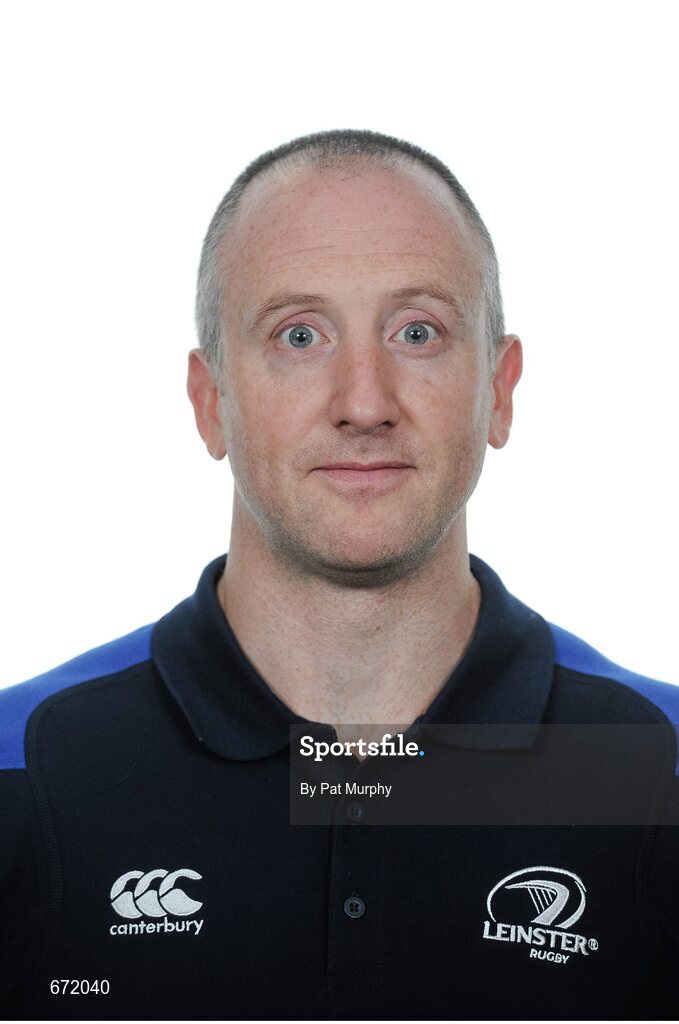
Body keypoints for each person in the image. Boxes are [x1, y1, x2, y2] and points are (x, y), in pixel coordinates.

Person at [1, 128, 678, 1022]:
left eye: (418, 331)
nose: (364, 403)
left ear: (499, 391)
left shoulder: (655, 764)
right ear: (212, 404)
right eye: (299, 334)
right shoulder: (25, 761)